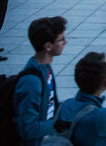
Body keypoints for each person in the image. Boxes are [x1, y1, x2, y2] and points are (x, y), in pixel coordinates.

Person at [15, 16, 68, 145]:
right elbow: (28, 129)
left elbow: (50, 105)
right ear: (48, 46)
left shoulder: (46, 68)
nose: (65, 42)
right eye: (61, 40)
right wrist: (60, 125)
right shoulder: (31, 82)